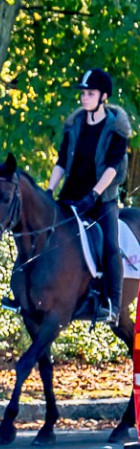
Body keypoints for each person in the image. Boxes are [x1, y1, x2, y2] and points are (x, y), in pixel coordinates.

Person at [48, 68, 132, 323]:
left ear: (103, 96)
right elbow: (62, 162)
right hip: (70, 196)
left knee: (109, 245)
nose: (84, 98)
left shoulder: (115, 128)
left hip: (102, 200)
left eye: (90, 93)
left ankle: (113, 306)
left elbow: (113, 166)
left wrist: (94, 195)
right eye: (83, 93)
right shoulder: (73, 125)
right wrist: (49, 190)